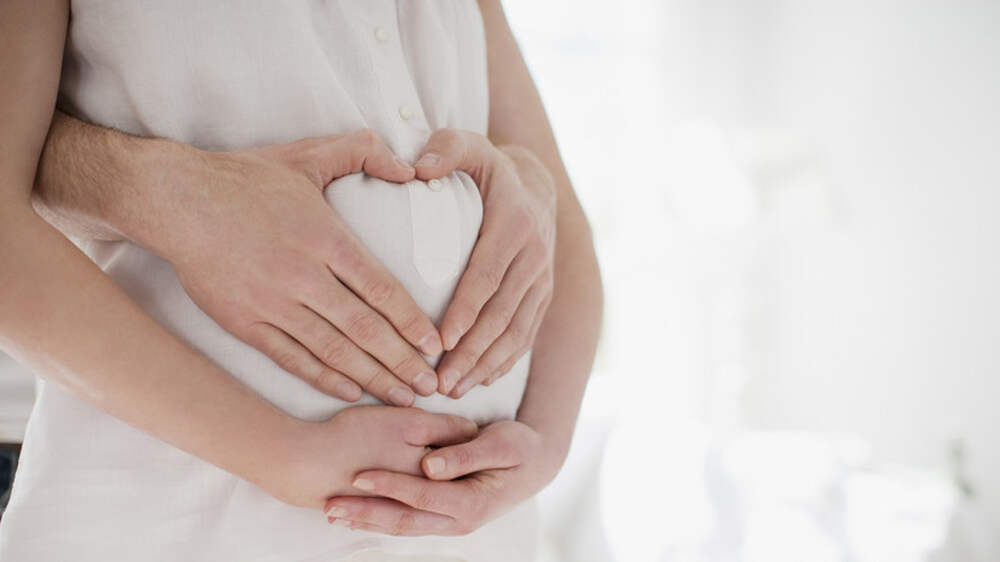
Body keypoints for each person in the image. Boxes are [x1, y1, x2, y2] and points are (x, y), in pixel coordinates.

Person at [0, 1, 602, 561]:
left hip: (475, 538)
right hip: (170, 521)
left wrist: (543, 445)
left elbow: (559, 216)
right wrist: (283, 452)